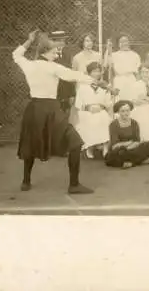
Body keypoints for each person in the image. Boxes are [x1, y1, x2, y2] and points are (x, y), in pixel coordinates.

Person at [12, 30, 95, 194]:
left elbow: (16, 55)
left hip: (36, 109)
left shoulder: (29, 64)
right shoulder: (53, 67)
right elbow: (75, 75)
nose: (58, 51)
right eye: (54, 50)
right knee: (75, 143)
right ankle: (73, 185)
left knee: (31, 144)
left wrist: (29, 41)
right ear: (45, 52)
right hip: (48, 108)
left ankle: (26, 181)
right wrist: (98, 82)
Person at [72, 61, 113, 159]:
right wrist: (88, 108)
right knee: (90, 121)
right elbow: (78, 104)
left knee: (104, 119)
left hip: (101, 110)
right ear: (89, 73)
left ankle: (105, 147)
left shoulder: (104, 87)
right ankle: (90, 147)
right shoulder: (82, 87)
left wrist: (102, 108)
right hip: (86, 112)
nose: (97, 74)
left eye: (99, 71)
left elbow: (108, 103)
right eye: (94, 71)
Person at [105, 100, 149, 169]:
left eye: (127, 111)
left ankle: (130, 162)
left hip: (133, 148)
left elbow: (137, 140)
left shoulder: (134, 123)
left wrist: (133, 145)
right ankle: (138, 161)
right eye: (123, 111)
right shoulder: (113, 124)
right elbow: (115, 145)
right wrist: (128, 144)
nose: (126, 113)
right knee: (118, 154)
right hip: (120, 149)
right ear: (118, 112)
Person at [107, 34, 141, 100]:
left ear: (129, 42)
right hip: (119, 81)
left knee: (132, 100)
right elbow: (110, 72)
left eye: (126, 41)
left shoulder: (135, 55)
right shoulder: (113, 55)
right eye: (121, 42)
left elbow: (137, 74)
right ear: (118, 44)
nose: (124, 43)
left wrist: (138, 85)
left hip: (131, 80)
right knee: (119, 100)